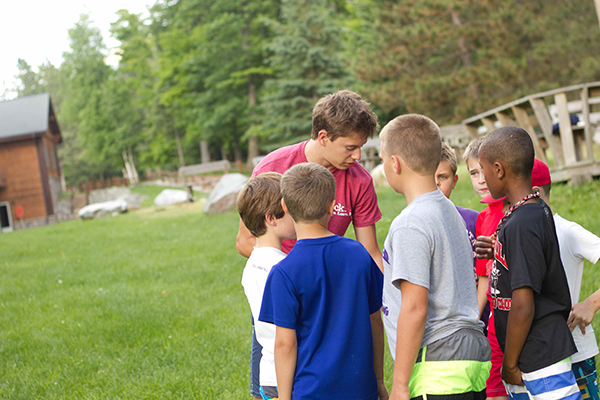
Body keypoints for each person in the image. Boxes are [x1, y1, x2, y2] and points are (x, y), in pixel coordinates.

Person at [236, 89, 383, 399]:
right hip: (289, 291)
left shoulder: (359, 180)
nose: (357, 157)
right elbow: (246, 240)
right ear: (323, 136)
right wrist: (294, 276)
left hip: (332, 287)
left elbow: (369, 250)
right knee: (277, 367)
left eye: (361, 148)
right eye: (350, 147)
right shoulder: (274, 168)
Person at [380, 114, 490, 400]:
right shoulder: (450, 211)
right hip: (471, 355)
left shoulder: (411, 223)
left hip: (437, 365)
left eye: (382, 160)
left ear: (395, 163)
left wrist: (400, 385)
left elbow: (415, 308)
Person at [259, 163, 388, 400]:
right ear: (332, 205)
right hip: (361, 389)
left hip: (311, 391)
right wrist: (379, 381)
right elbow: (375, 321)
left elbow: (285, 345)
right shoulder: (359, 254)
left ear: (285, 206)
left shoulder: (283, 273)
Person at [479, 126, 581, 400]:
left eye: (483, 169)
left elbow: (523, 304)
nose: (482, 178)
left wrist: (509, 364)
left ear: (499, 169)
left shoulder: (524, 222)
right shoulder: (527, 211)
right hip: (530, 355)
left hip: (540, 357)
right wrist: (499, 251)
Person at [530, 159, 600, 400]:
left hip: (576, 355)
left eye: (509, 199)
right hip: (538, 357)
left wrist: (591, 303)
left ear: (535, 193)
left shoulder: (567, 231)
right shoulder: (520, 232)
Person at [237, 173, 296, 400]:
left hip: (269, 373)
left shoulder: (253, 263)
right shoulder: (283, 267)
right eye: (292, 210)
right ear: (272, 218)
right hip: (289, 374)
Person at [464, 137, 510, 400]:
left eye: (485, 171)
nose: (481, 180)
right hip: (494, 321)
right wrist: (473, 319)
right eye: (473, 173)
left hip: (523, 314)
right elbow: (484, 277)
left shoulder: (517, 211)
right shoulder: (482, 218)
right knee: (494, 390)